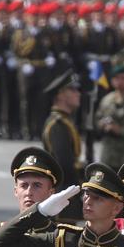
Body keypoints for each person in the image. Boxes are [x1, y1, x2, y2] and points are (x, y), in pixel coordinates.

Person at [41, 69, 83, 222]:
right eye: (73, 90)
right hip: (63, 193)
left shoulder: (65, 121)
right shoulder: (57, 125)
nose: (78, 93)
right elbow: (64, 164)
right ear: (60, 94)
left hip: (67, 193)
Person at [95, 65, 124, 171]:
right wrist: (103, 125)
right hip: (109, 155)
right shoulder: (106, 100)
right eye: (116, 78)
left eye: (123, 78)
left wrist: (120, 130)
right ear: (112, 81)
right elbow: (97, 120)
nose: (120, 81)